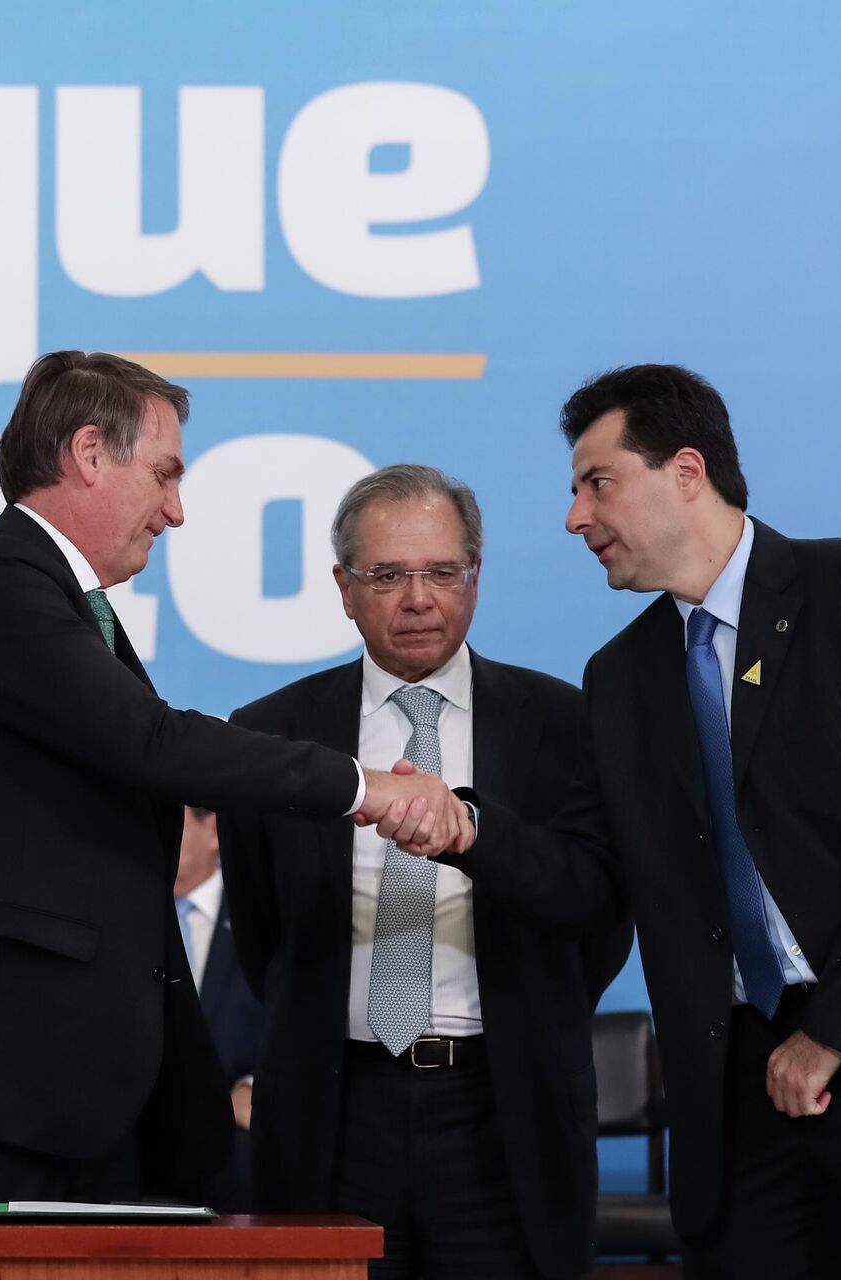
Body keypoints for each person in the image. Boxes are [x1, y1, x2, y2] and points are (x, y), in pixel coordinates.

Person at [446, 365, 841, 1278]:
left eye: (597, 483)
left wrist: (834, 1033)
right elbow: (593, 876)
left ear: (684, 471)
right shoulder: (621, 678)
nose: (574, 519)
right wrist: (467, 828)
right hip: (747, 1097)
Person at [0, 350, 469, 1205]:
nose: (176, 511)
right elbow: (150, 742)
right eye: (164, 475)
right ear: (89, 454)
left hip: (52, 1086)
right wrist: (368, 788)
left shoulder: (66, 607)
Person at [217, 464, 632, 1279]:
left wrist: (472, 834)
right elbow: (266, 930)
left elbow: (596, 909)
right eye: (388, 575)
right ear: (344, 587)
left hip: (503, 1109)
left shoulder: (565, 724)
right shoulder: (272, 734)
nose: (418, 598)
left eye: (442, 572)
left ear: (474, 578)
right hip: (336, 1111)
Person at [173, 805, 261, 1212]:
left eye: (172, 816)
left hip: (234, 1148)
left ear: (214, 832)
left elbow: (294, 1016)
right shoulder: (126, 910)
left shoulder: (258, 912)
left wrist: (254, 1086)